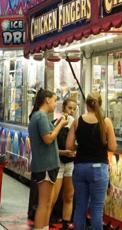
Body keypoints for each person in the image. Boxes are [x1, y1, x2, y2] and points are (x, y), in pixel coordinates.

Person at [67, 94, 114, 230]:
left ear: (86, 105)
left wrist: (82, 146)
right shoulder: (106, 122)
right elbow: (112, 146)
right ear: (100, 104)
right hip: (99, 169)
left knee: (80, 206)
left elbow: (69, 146)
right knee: (97, 209)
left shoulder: (77, 121)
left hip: (80, 167)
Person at [29, 89, 70, 230]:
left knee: (46, 203)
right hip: (45, 165)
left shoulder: (38, 116)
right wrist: (60, 125)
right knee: (44, 203)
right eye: (54, 100)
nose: (55, 104)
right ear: (47, 99)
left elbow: (48, 133)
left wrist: (57, 122)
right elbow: (48, 138)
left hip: (45, 164)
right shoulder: (41, 117)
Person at [50, 96, 78, 229]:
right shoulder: (56, 124)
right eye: (69, 108)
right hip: (59, 163)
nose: (71, 111)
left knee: (69, 195)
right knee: (53, 196)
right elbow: (50, 147)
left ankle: (66, 223)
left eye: (74, 109)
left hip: (71, 163)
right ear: (63, 108)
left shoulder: (76, 125)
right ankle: (47, 220)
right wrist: (63, 152)